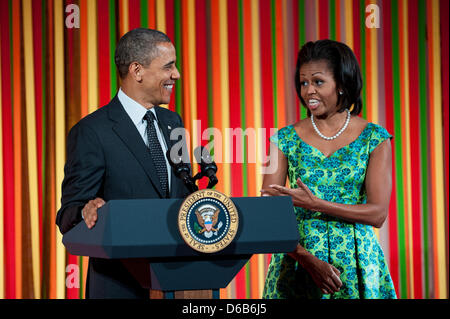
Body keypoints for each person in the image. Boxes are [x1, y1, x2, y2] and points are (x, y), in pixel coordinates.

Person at [56, 28, 191, 298]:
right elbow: (68, 213)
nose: (176, 74)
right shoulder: (92, 131)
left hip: (178, 281)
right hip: (119, 286)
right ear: (137, 70)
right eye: (168, 66)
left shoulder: (173, 123)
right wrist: (86, 209)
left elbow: (183, 193)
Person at [260, 39, 397, 299]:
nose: (308, 91)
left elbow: (377, 213)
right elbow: (267, 214)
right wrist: (307, 260)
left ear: (342, 84)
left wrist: (315, 203)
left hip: (357, 266)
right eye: (303, 83)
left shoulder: (375, 139)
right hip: (298, 264)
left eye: (318, 82)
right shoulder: (283, 139)